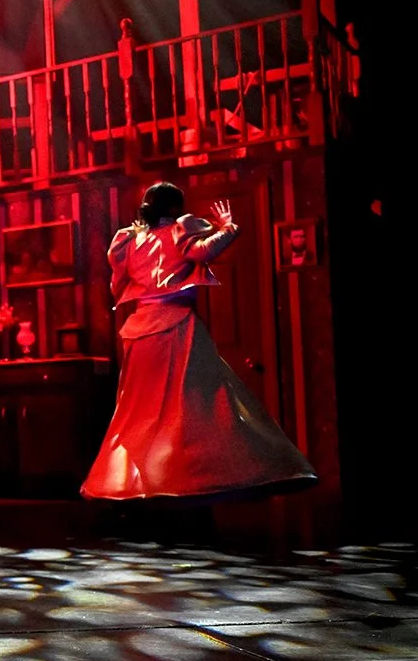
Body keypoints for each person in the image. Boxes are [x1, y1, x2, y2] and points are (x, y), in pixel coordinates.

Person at [82, 182, 315, 501]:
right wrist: (229, 227)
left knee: (138, 409)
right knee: (199, 404)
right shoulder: (179, 229)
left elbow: (118, 281)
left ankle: (143, 481)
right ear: (175, 208)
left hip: (139, 332)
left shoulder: (130, 240)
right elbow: (201, 251)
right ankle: (192, 479)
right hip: (175, 325)